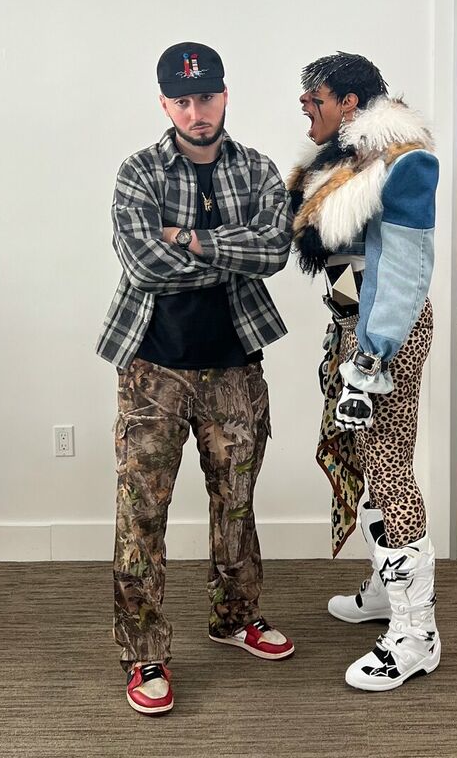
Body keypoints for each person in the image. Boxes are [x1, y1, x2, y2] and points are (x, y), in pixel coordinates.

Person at [96, 41, 294, 716]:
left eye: (205, 96)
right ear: (164, 105)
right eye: (181, 101)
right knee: (141, 513)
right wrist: (229, 249)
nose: (195, 111)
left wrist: (187, 237)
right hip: (151, 369)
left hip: (235, 366)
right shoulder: (139, 172)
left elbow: (274, 250)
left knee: (235, 502)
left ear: (224, 95)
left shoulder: (258, 168)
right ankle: (144, 654)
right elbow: (143, 265)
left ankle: (235, 618)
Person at [289, 51, 440, 691]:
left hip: (386, 334)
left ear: (349, 102)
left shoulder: (404, 162)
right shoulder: (342, 161)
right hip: (354, 327)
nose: (306, 108)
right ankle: (386, 589)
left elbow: (403, 269)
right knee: (371, 459)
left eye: (315, 98)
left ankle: (416, 633)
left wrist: (372, 355)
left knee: (389, 467)